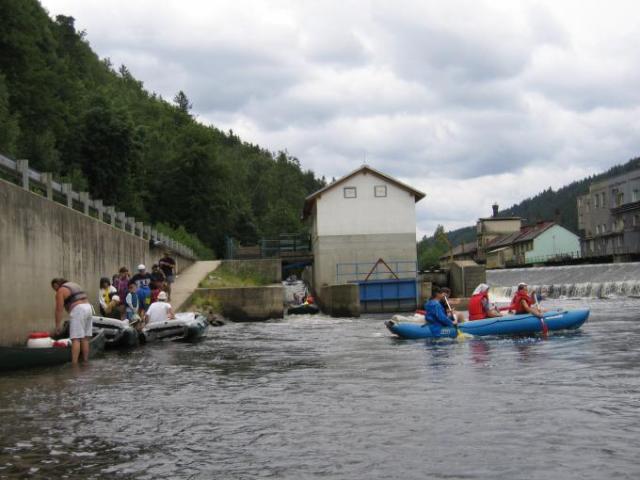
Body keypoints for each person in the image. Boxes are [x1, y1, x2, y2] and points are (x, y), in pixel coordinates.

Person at [51, 278, 92, 364]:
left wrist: (57, 326)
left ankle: (74, 364)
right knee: (85, 338)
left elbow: (59, 309)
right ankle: (85, 361)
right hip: (88, 307)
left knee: (75, 338)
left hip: (78, 310)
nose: (55, 290)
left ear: (57, 285)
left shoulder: (61, 291)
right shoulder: (74, 285)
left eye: (54, 287)